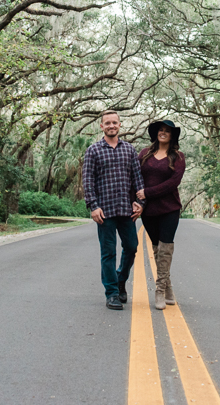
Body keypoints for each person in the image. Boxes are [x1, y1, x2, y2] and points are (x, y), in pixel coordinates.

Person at [82, 110, 144, 310]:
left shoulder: (129, 149)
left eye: (114, 122)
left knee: (132, 247)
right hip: (105, 212)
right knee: (108, 252)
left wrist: (139, 202)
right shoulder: (93, 150)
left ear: (119, 125)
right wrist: (93, 206)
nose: (111, 125)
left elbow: (137, 179)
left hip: (127, 211)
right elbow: (88, 181)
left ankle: (120, 280)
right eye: (107, 123)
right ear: (101, 126)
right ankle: (112, 294)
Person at [136, 119, 185, 311]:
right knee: (157, 249)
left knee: (165, 248)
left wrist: (148, 192)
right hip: (148, 211)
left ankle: (159, 290)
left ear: (172, 136)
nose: (163, 133)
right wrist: (137, 199)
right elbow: (136, 176)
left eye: (167, 131)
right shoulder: (144, 154)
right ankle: (168, 288)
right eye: (160, 130)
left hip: (170, 208)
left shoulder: (178, 157)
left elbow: (173, 182)